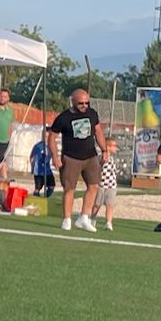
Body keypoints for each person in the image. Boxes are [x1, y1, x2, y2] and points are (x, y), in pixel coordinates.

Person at [48, 87, 105, 233]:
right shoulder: (63, 118)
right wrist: (55, 156)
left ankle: (84, 217)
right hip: (71, 157)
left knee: (94, 186)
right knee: (69, 189)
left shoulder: (92, 113)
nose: (84, 106)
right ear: (73, 101)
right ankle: (67, 218)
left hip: (90, 156)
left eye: (87, 103)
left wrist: (105, 150)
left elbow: (98, 132)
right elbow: (52, 137)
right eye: (81, 103)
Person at [90, 137, 120, 231]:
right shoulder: (100, 157)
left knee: (110, 205)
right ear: (108, 147)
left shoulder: (113, 159)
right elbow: (99, 166)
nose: (116, 148)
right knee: (97, 204)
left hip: (111, 186)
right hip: (101, 185)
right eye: (114, 146)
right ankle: (92, 218)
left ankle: (108, 222)